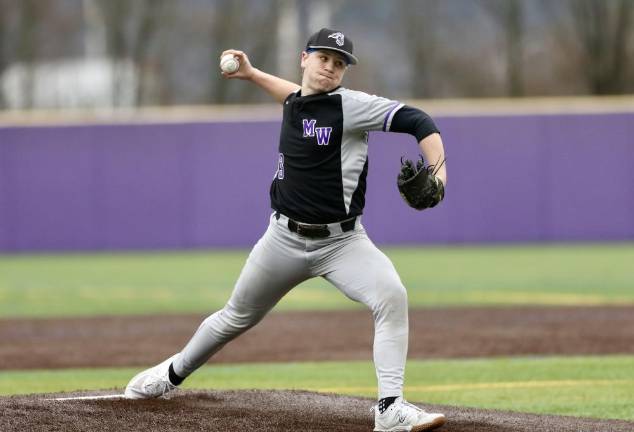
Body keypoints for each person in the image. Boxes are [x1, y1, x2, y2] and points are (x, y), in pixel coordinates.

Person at [125, 28, 447, 432]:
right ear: (305, 58)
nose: (330, 67)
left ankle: (389, 408)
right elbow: (293, 96)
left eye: (339, 63)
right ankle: (170, 374)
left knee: (392, 297)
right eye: (324, 58)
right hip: (282, 239)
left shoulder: (352, 106)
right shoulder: (297, 101)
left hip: (343, 243)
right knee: (234, 317)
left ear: (345, 71)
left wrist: (439, 174)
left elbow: (420, 122)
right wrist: (252, 73)